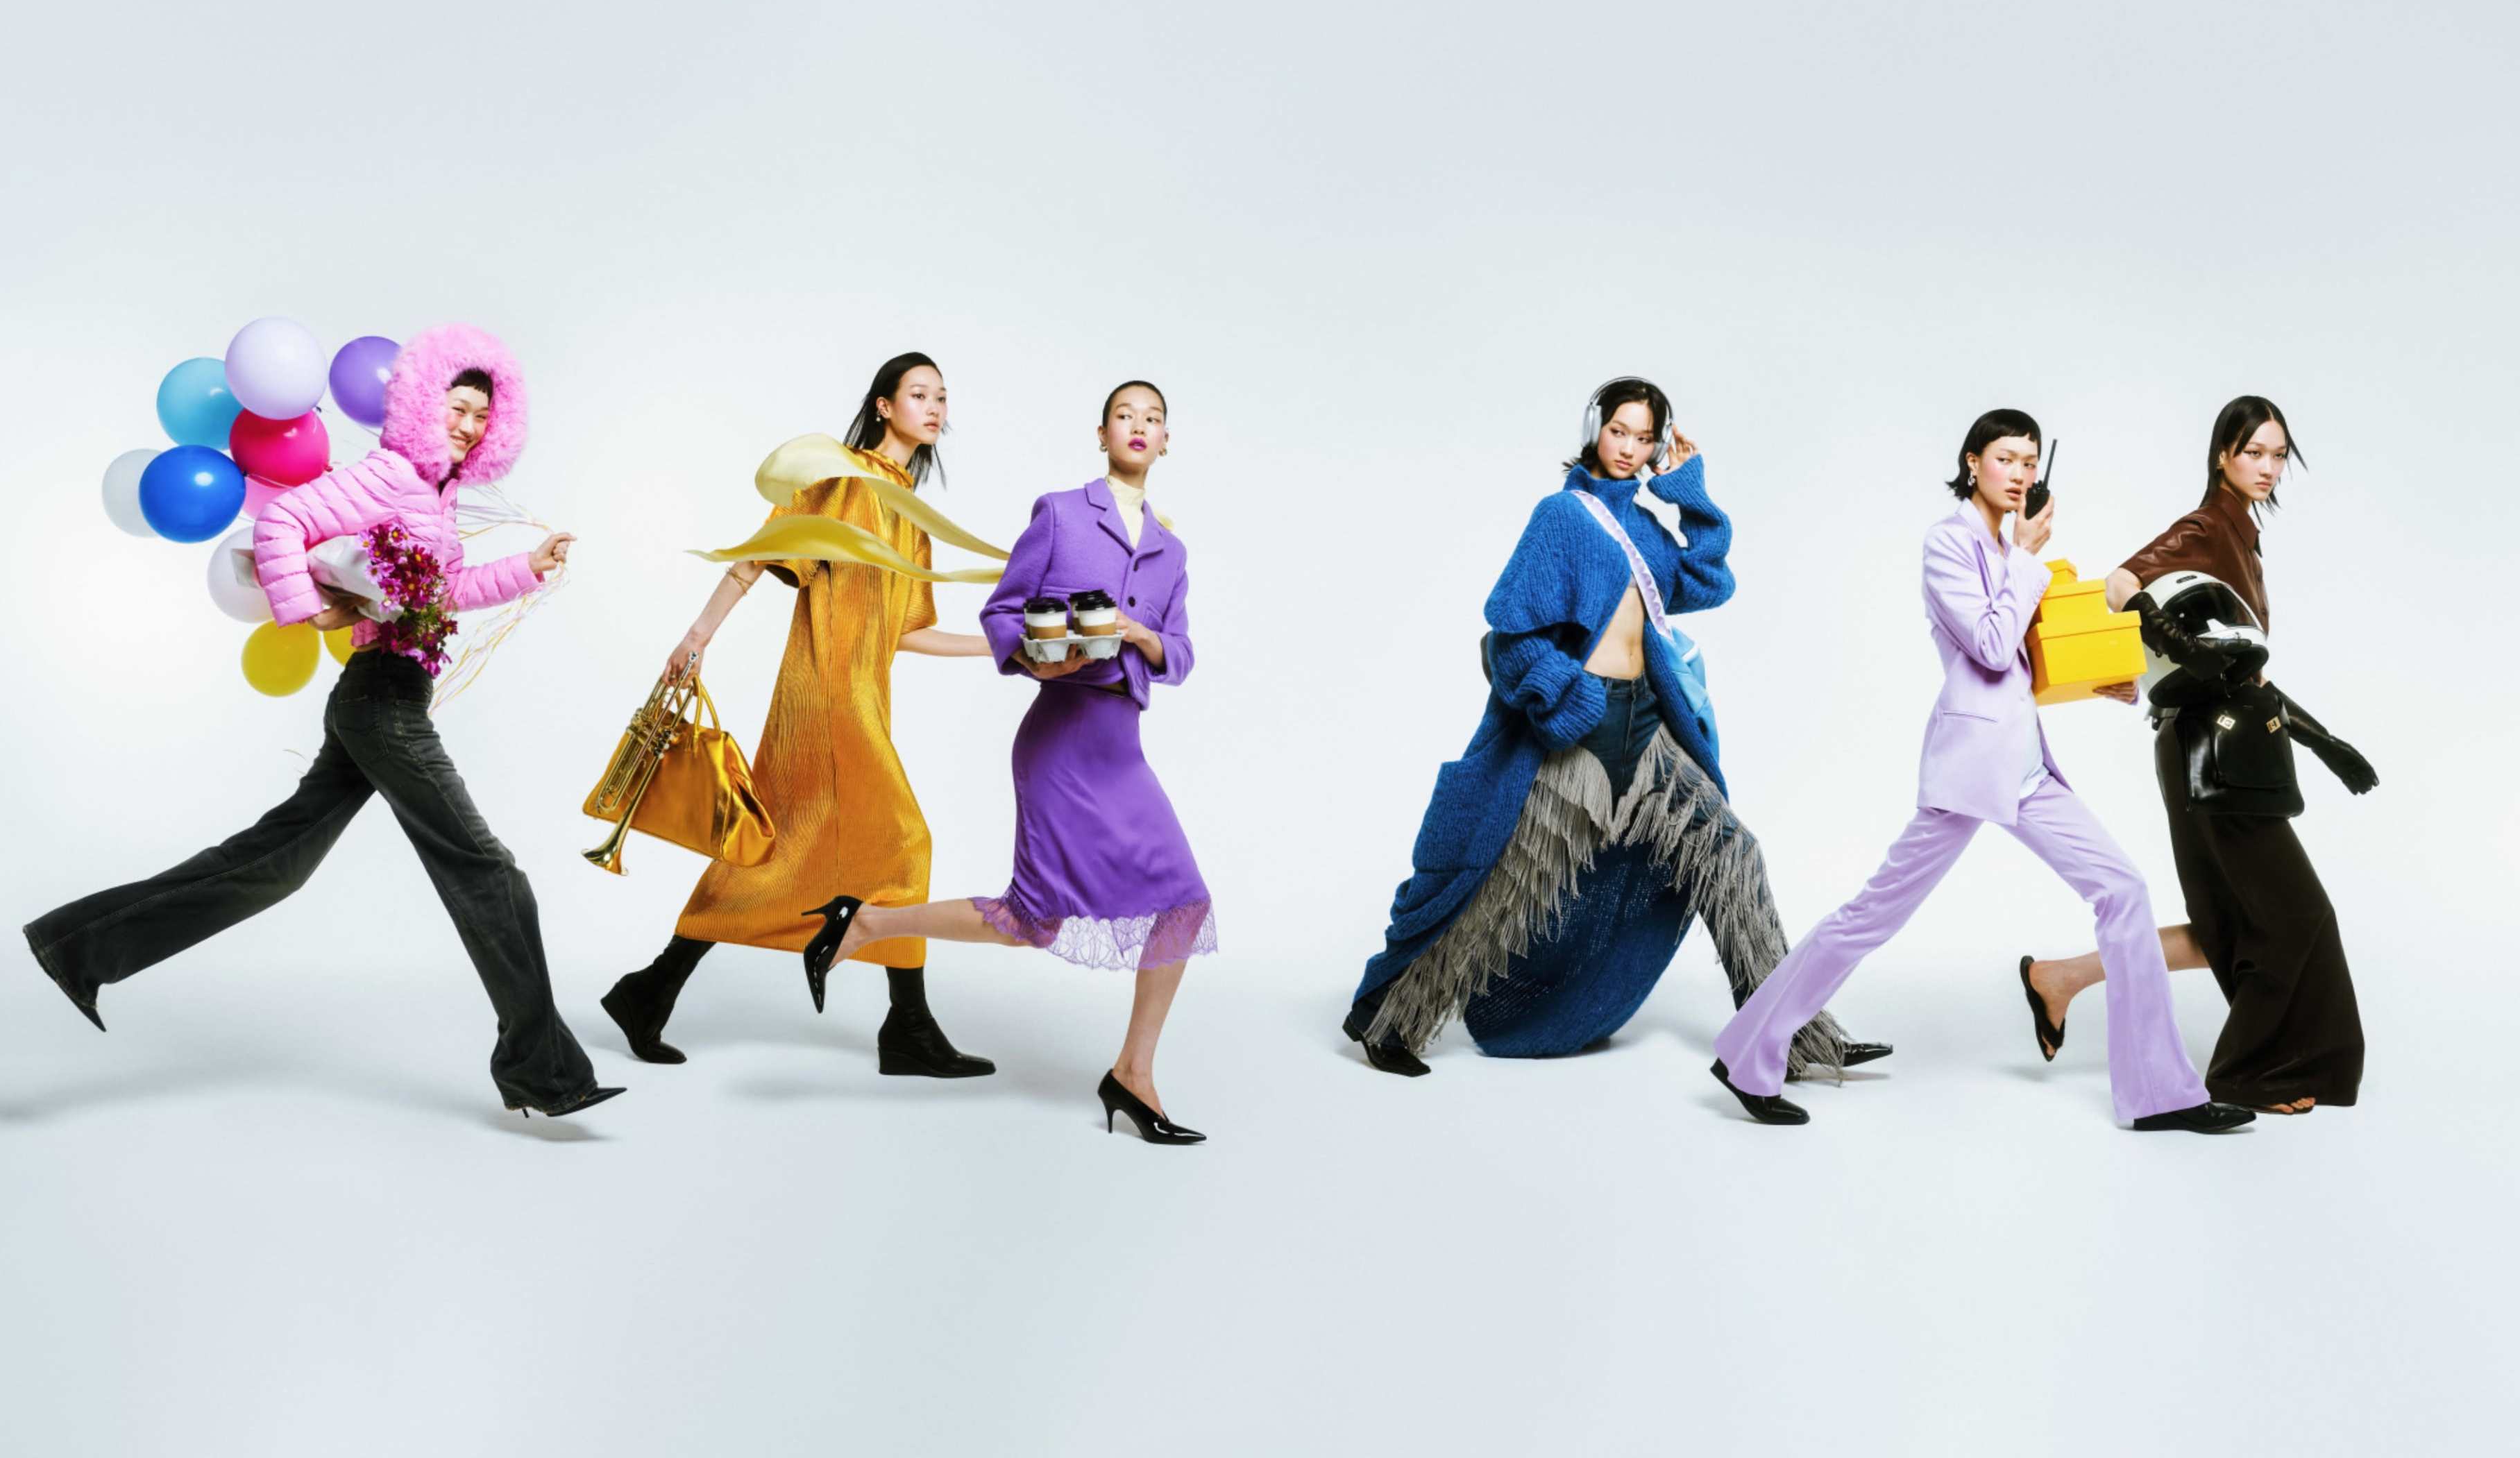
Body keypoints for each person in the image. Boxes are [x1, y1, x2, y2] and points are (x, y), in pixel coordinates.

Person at [24, 325, 621, 1118]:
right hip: (381, 701)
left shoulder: (435, 494)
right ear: (423, 399)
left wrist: (527, 568)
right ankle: (543, 1072)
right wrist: (309, 613)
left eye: (484, 414)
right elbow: (281, 525)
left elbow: (438, 597)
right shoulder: (388, 472)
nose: (470, 423)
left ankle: (76, 947)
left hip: (385, 697)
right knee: (487, 871)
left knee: (277, 863)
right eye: (460, 404)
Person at [1707, 409, 2250, 1132]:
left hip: (2027, 766)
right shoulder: (1950, 544)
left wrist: (2100, 681)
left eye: (2030, 460)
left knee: (2123, 889)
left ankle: (2160, 1094)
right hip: (1970, 771)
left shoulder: (2005, 546)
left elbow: (2027, 661)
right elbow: (1992, 647)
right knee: (1869, 918)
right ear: (1972, 464)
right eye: (2007, 458)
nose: (2022, 472)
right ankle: (1748, 1053)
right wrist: (2024, 557)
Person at [1342, 377, 1880, 1080]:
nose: (1629, 447)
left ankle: (1789, 1034)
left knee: (1733, 855)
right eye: (1618, 431)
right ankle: (1393, 1024)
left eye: (1644, 436)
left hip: (1648, 730)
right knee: (1509, 886)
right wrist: (1564, 698)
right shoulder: (1562, 517)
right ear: (1596, 429)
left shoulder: (1649, 531)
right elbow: (1511, 635)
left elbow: (1709, 581)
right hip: (1579, 729)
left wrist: (1687, 489)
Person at [805, 382, 1215, 1142]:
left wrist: (1141, 634)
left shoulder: (1171, 549)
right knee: (1034, 917)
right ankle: (866, 922)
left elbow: (1182, 654)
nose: (1139, 426)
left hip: (1121, 749)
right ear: (1102, 433)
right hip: (1059, 741)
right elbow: (1000, 612)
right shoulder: (1060, 512)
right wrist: (1039, 655)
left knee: (1182, 903)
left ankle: (1134, 1072)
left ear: (1166, 442)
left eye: (1153, 418)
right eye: (1126, 414)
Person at [601, 354, 999, 1079]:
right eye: (920, 394)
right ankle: (907, 1025)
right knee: (907, 840)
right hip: (826, 696)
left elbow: (904, 630)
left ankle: (649, 989)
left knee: (775, 847)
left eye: (943, 397)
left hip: (861, 697)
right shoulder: (842, 477)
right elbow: (757, 557)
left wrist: (994, 647)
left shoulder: (910, 509)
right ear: (884, 406)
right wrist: (696, 636)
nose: (936, 407)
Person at [2020, 396, 2375, 1113]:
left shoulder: (2242, 535)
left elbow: (2250, 669)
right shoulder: (2208, 525)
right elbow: (2122, 583)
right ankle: (2250, 1075)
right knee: (2298, 918)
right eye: (2254, 452)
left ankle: (2059, 978)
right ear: (2223, 454)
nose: (2268, 466)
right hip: (2207, 750)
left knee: (2229, 928)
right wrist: (2169, 644)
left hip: (2229, 742)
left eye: (2278, 454)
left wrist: (2326, 742)